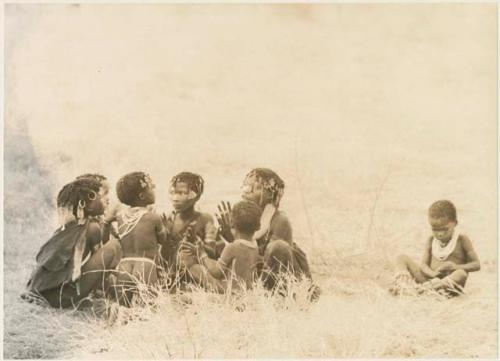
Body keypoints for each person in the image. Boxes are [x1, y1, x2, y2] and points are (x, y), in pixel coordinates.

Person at [217, 168, 318, 298]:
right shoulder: (242, 216)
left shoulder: (279, 219)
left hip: (277, 279)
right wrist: (226, 236)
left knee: (278, 247)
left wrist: (234, 240)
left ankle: (273, 297)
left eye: (256, 188)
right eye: (247, 186)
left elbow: (275, 259)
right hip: (256, 275)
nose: (248, 191)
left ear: (270, 195)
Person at [24, 177, 121, 308]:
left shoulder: (70, 227)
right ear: (84, 204)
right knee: (114, 246)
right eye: (102, 196)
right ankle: (99, 295)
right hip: (61, 298)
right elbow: (102, 262)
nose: (107, 200)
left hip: (44, 294)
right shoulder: (92, 228)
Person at [390, 200, 481, 296]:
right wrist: (433, 274)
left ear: (455, 223)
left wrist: (455, 267)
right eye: (435, 229)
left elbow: (476, 265)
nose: (440, 234)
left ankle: (424, 289)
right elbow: (423, 265)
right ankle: (403, 283)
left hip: (450, 285)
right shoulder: (431, 240)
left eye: (445, 229)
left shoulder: (462, 240)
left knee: (461, 273)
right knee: (401, 257)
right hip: (428, 280)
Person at [181, 201, 263, 293]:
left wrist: (202, 254)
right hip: (244, 291)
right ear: (258, 226)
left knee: (193, 266)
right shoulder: (254, 245)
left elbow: (217, 272)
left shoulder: (233, 247)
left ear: (232, 223)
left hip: (228, 290)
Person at [112, 172, 166, 306]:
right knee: (149, 309)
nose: (154, 187)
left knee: (122, 309)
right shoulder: (154, 218)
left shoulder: (121, 218)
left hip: (124, 266)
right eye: (151, 188)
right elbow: (163, 239)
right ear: (142, 196)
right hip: (145, 265)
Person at [160, 172, 218, 285]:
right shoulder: (169, 218)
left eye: (182, 193)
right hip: (170, 276)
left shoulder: (205, 219)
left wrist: (196, 243)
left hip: (194, 273)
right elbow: (164, 256)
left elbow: (212, 253)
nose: (175, 198)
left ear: (196, 196)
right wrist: (166, 236)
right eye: (173, 193)